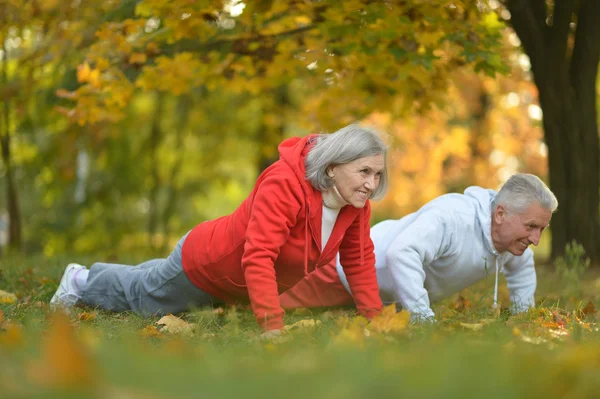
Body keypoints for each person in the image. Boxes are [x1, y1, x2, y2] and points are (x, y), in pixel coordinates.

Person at [51, 124, 387, 335]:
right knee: (144, 297)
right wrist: (272, 327)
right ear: (331, 168)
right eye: (364, 171)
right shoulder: (285, 184)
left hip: (233, 283)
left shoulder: (354, 204)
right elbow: (258, 256)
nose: (371, 184)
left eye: (377, 175)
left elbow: (357, 262)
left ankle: (153, 271)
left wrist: (376, 320)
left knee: (156, 279)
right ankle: (79, 279)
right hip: (208, 265)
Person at [279, 173, 558, 321]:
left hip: (381, 302)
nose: (535, 239)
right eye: (531, 226)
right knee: (261, 295)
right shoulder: (453, 217)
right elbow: (402, 253)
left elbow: (522, 272)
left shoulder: (510, 245)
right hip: (343, 273)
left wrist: (524, 318)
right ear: (500, 214)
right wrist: (423, 318)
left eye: (541, 229)